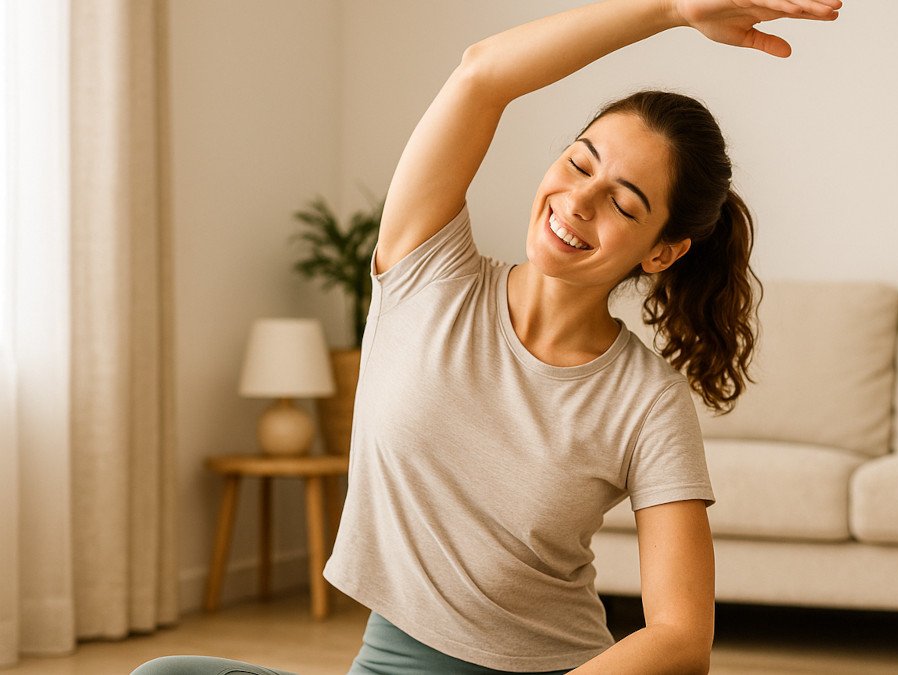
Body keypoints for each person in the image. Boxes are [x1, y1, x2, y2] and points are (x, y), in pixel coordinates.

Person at [132, 0, 842, 673]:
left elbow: (680, 637)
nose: (578, 202)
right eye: (579, 161)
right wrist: (670, 10)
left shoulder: (646, 400)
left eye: (624, 204)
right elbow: (481, 74)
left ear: (660, 252)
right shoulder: (426, 270)